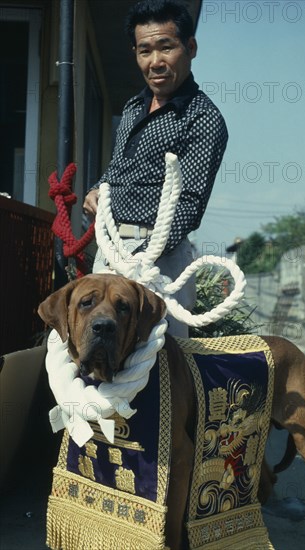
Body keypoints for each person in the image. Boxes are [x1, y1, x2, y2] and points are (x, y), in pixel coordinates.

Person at [83, 0, 228, 337]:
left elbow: (189, 205)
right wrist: (96, 189)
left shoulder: (203, 119)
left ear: (190, 47)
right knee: (98, 352)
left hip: (158, 264)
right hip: (111, 252)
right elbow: (117, 170)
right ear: (135, 53)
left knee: (165, 362)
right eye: (144, 50)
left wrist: (142, 260)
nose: (155, 62)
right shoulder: (133, 107)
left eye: (167, 47)